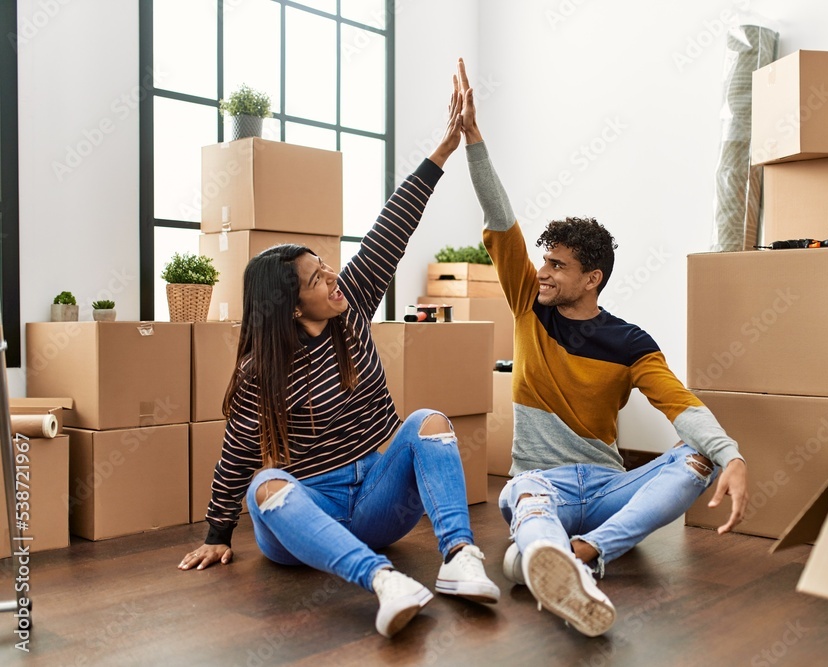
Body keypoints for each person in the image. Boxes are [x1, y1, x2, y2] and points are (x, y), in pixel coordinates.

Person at [178, 74, 500, 639]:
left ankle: (460, 558)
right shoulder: (262, 370)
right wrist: (216, 534)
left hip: (377, 496)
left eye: (327, 267)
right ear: (289, 303)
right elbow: (235, 456)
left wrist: (445, 148)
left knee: (429, 421)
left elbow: (392, 227)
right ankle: (383, 583)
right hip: (310, 515)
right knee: (265, 485)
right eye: (317, 277)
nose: (333, 276)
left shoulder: (349, 311)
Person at [456, 59, 748, 637]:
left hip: (610, 486)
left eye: (558, 265)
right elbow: (500, 215)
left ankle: (581, 554)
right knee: (530, 499)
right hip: (542, 481)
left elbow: (680, 406)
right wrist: (474, 139)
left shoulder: (631, 343)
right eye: (544, 260)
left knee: (696, 458)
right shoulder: (526, 303)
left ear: (592, 279)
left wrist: (732, 454)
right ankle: (558, 559)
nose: (543, 272)